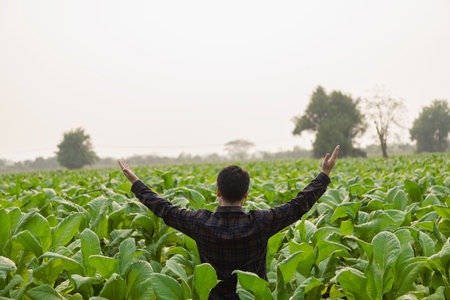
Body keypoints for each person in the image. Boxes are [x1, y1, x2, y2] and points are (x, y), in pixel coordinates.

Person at [118, 145, 339, 299]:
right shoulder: (259, 223)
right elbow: (298, 206)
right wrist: (323, 175)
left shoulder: (201, 223)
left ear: (217, 192)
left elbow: (164, 209)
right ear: (246, 195)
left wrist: (136, 182)